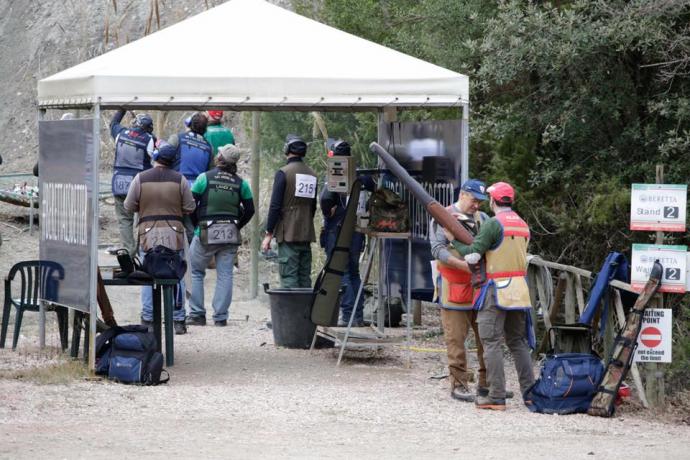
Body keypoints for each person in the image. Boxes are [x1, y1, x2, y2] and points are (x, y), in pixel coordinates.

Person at [449, 181, 535, 410]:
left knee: (491, 343)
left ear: (494, 201)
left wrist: (453, 238)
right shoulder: (523, 225)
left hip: (496, 289)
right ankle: (530, 393)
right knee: (518, 342)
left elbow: (472, 256)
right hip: (519, 289)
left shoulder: (494, 224)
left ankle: (496, 396)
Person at [124, 143, 196, 335]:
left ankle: (148, 318)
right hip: (174, 234)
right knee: (176, 273)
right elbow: (190, 207)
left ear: (156, 158)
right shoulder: (180, 180)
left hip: (148, 233)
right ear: (173, 161)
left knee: (148, 274)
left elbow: (128, 205)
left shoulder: (140, 178)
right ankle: (178, 320)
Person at [429, 179, 489, 402]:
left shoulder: (483, 219)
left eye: (480, 202)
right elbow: (437, 249)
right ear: (463, 195)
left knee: (486, 338)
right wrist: (462, 265)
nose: (477, 206)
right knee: (456, 340)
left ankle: (486, 385)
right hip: (453, 287)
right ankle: (459, 385)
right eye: (474, 200)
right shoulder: (443, 216)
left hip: (480, 289)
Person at [187, 145, 255, 327]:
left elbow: (191, 204)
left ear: (220, 157)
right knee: (225, 275)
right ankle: (220, 317)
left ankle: (197, 314)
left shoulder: (204, 178)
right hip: (230, 233)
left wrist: (196, 224)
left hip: (205, 231)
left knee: (195, 272)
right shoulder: (242, 184)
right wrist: (237, 225)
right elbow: (250, 210)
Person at [319, 139, 373, 326]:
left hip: (338, 230)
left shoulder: (336, 173)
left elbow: (326, 198)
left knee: (341, 272)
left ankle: (348, 316)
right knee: (354, 273)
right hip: (357, 231)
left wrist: (328, 211)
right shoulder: (363, 177)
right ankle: (357, 316)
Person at [261, 134, 317, 288]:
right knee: (304, 277)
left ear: (287, 149)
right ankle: (305, 312)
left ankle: (291, 312)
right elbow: (313, 206)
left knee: (289, 278)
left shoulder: (283, 172)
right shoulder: (313, 174)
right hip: (306, 233)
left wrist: (269, 233)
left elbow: (275, 206)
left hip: (288, 234)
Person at [110, 109, 156, 256]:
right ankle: (144, 252)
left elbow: (114, 123)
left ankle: (129, 252)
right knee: (145, 219)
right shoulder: (150, 139)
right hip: (140, 185)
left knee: (125, 220)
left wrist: (122, 109)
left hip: (119, 184)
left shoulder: (120, 134)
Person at [168, 112, 213, 242]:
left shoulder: (177, 138)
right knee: (190, 226)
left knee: (172, 222)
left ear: (190, 124)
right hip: (197, 192)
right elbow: (210, 172)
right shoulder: (208, 147)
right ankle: (190, 259)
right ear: (205, 129)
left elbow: (164, 157)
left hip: (175, 187)